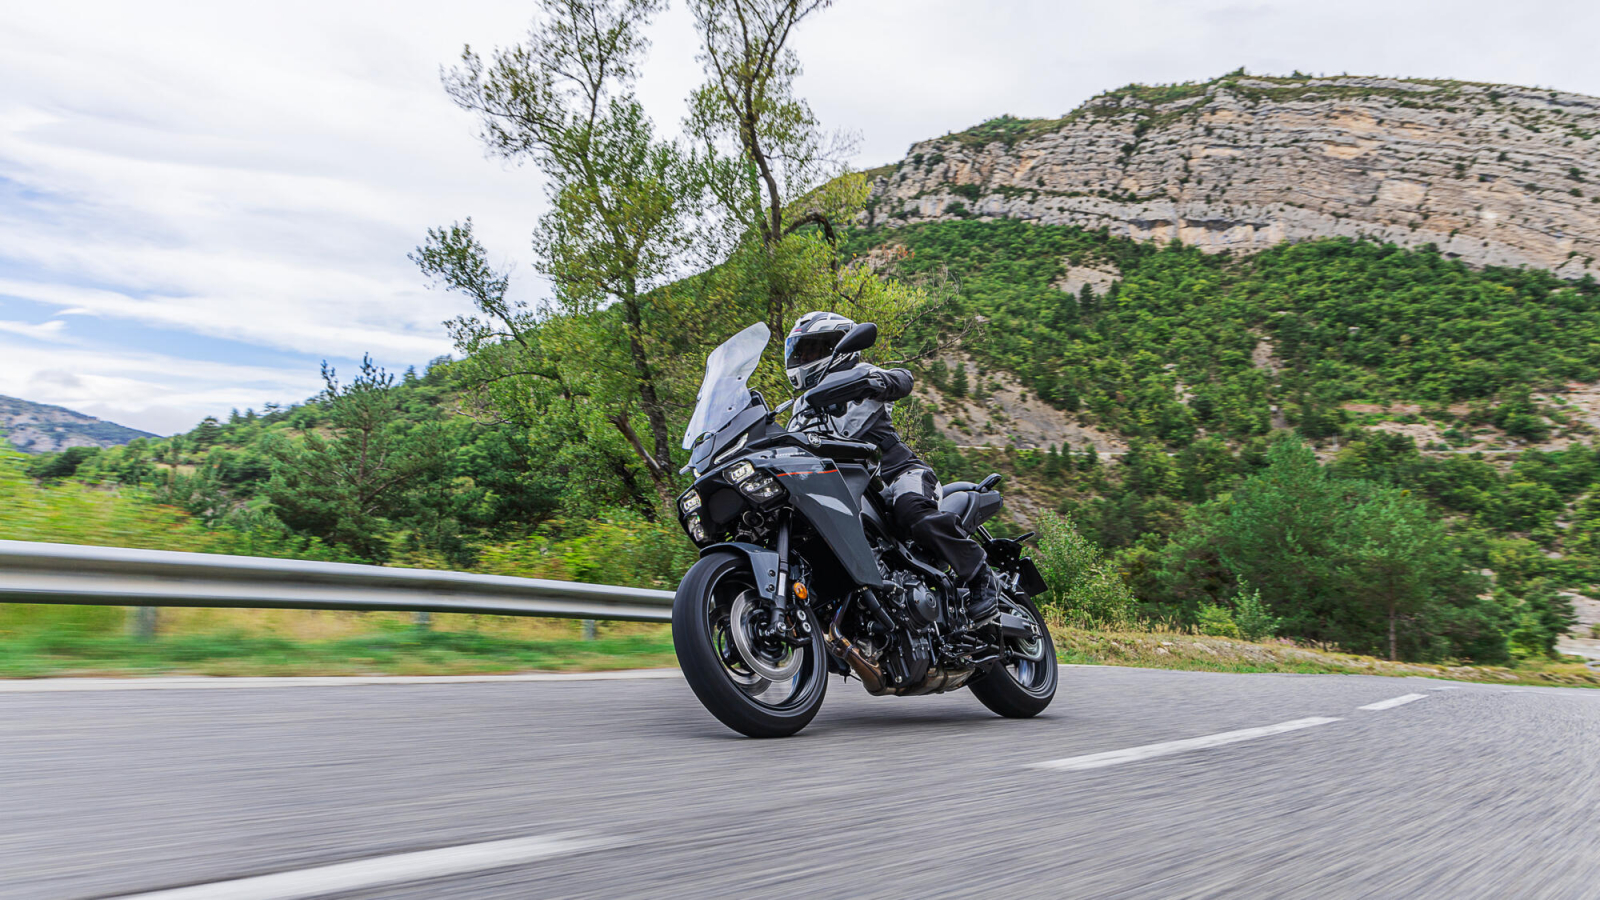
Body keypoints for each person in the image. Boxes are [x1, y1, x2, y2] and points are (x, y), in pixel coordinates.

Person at [783, 310, 1002, 622]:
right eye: (801, 352)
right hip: (848, 491)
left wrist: (875, 381)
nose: (805, 357)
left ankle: (981, 576)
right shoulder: (801, 408)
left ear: (836, 347)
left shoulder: (860, 375)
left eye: (812, 349)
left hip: (897, 474)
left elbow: (904, 379)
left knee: (912, 510)